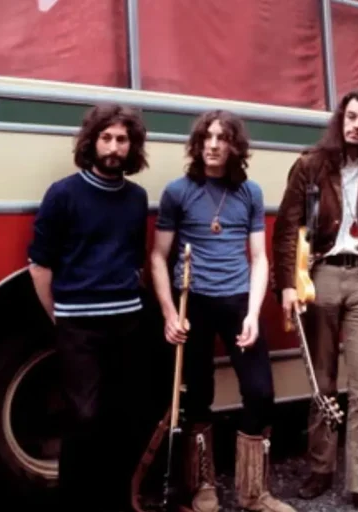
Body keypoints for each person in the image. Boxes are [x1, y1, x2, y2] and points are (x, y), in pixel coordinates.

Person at [150, 109, 295, 512]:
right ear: (198, 145)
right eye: (207, 137)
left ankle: (253, 492)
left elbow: (260, 259)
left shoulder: (250, 193)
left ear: (235, 147)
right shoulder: (177, 192)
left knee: (261, 392)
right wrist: (168, 313)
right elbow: (159, 257)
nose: (214, 144)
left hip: (237, 302)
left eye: (222, 138)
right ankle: (203, 486)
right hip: (191, 303)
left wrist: (252, 313)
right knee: (196, 396)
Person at [272, 89, 358, 512]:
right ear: (339, 119)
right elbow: (287, 229)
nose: (356, 125)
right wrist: (288, 287)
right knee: (322, 380)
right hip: (322, 277)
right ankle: (320, 468)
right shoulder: (311, 164)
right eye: (350, 116)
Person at [27, 104, 150, 510]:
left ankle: (114, 500)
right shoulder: (63, 194)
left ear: (132, 147)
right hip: (79, 327)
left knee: (122, 419)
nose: (114, 147)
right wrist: (58, 317)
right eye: (107, 138)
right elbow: (39, 266)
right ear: (92, 142)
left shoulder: (136, 198)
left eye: (122, 140)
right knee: (84, 419)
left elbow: (136, 261)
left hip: (128, 323)